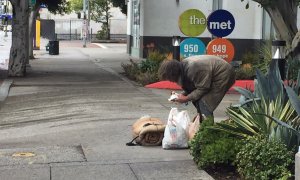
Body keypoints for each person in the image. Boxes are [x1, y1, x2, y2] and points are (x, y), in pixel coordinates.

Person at [158, 55, 236, 121]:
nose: (170, 81)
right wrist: (181, 95)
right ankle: (201, 122)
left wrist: (186, 98)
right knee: (197, 100)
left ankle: (207, 128)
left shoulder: (193, 68)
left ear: (173, 75)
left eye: (169, 79)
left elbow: (203, 88)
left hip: (223, 74)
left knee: (205, 103)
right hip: (212, 73)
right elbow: (192, 87)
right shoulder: (183, 67)